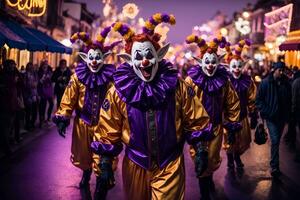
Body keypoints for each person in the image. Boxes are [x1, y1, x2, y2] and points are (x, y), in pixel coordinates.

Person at [91, 14, 213, 200]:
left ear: (159, 56)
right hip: (135, 164)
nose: (144, 61)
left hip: (170, 164)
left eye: (149, 55)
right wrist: (105, 163)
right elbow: (108, 128)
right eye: (138, 57)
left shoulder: (178, 87)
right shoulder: (118, 91)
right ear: (129, 60)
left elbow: (196, 118)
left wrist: (201, 149)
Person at [52, 27, 118, 191]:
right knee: (84, 155)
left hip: (104, 126)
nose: (94, 61)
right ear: (86, 58)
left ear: (104, 58)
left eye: (98, 57)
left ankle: (100, 185)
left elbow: (117, 102)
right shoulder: (78, 77)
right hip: (83, 123)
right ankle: (86, 174)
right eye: (91, 57)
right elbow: (69, 98)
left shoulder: (110, 79)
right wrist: (63, 117)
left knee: (103, 160)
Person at [185, 34, 241, 199]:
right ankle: (204, 193)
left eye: (213, 62)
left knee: (211, 159)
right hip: (197, 130)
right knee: (200, 159)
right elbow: (183, 104)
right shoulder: (191, 81)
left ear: (218, 62)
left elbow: (232, 102)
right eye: (207, 61)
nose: (210, 65)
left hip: (216, 128)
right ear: (201, 62)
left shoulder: (224, 81)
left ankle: (208, 180)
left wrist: (231, 124)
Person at [223, 40, 257, 171]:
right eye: (234, 66)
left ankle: (237, 157)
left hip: (242, 116)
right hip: (228, 118)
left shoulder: (247, 81)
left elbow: (251, 97)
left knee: (241, 140)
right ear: (229, 67)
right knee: (229, 140)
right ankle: (231, 160)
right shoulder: (225, 82)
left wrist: (253, 112)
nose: (237, 69)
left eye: (239, 66)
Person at [255, 61, 292, 178]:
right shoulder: (266, 83)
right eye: (279, 70)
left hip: (282, 117)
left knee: (277, 140)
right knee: (275, 141)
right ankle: (274, 166)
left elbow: (289, 99)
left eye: (283, 70)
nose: (281, 72)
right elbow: (258, 100)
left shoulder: (286, 83)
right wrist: (267, 111)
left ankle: (275, 164)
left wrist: (288, 113)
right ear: (274, 70)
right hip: (271, 118)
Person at [0, 59, 19, 156]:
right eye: (11, 65)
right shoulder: (4, 76)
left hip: (13, 104)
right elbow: (6, 89)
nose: (13, 67)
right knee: (5, 127)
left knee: (9, 126)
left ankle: (6, 144)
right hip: (5, 105)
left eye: (13, 65)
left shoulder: (14, 74)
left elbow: (20, 85)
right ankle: (6, 147)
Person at [38, 60, 54, 127]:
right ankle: (42, 119)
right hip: (42, 91)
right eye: (44, 65)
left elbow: (52, 80)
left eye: (46, 65)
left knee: (51, 104)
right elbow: (39, 82)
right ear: (41, 66)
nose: (45, 66)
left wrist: (50, 78)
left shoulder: (49, 71)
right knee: (43, 105)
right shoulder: (39, 72)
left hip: (49, 90)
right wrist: (43, 78)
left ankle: (48, 118)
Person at [24, 62, 39, 130]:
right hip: (28, 95)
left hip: (34, 94)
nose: (31, 68)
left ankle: (32, 123)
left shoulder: (35, 74)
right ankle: (28, 125)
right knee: (28, 111)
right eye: (29, 67)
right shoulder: (25, 74)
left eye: (31, 67)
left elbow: (37, 82)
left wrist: (35, 84)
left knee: (34, 111)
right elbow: (24, 84)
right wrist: (30, 85)